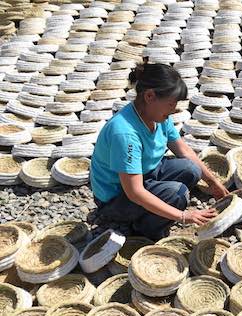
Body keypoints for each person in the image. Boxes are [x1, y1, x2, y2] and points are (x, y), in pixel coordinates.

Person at [90, 61, 229, 240]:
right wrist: (184, 216)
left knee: (191, 169)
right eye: (172, 103)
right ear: (150, 96)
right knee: (177, 193)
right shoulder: (125, 134)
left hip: (145, 174)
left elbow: (184, 151)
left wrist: (213, 182)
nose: (175, 109)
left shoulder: (158, 116)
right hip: (116, 198)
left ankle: (159, 208)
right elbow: (135, 192)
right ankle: (142, 228)